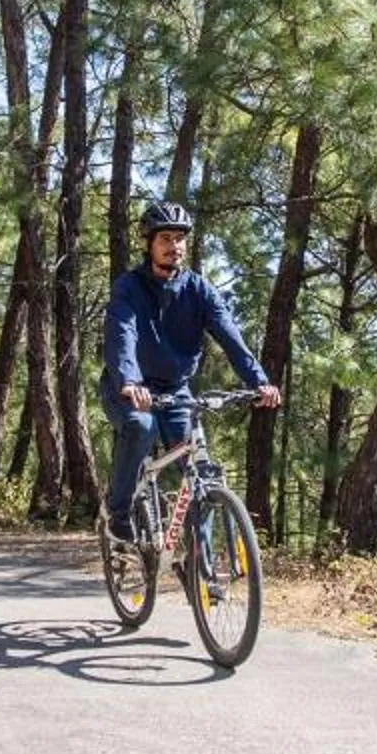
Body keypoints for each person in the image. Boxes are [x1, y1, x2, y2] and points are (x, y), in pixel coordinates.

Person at [102, 201, 282, 543]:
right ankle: (119, 510)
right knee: (141, 426)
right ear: (149, 244)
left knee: (200, 475)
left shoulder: (199, 290)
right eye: (166, 238)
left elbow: (230, 337)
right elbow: (121, 334)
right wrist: (128, 380)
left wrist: (259, 382)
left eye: (180, 238)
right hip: (128, 388)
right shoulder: (128, 287)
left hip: (175, 389)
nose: (174, 246)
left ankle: (203, 572)